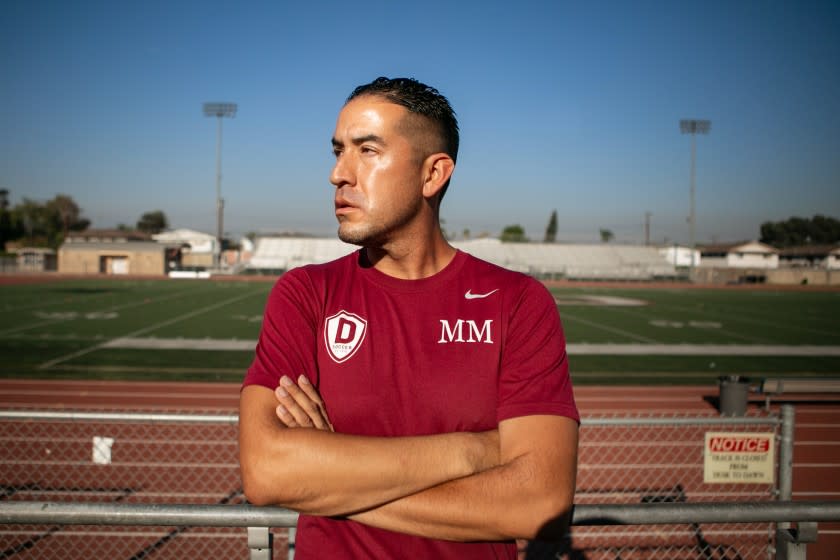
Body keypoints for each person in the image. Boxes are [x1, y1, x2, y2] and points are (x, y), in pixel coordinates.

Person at [239, 76, 579, 559]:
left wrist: (329, 478)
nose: (339, 174)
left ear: (433, 174)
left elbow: (538, 503)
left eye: (367, 151)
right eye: (337, 151)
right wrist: (474, 451)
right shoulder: (305, 294)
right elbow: (267, 472)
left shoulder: (517, 302)